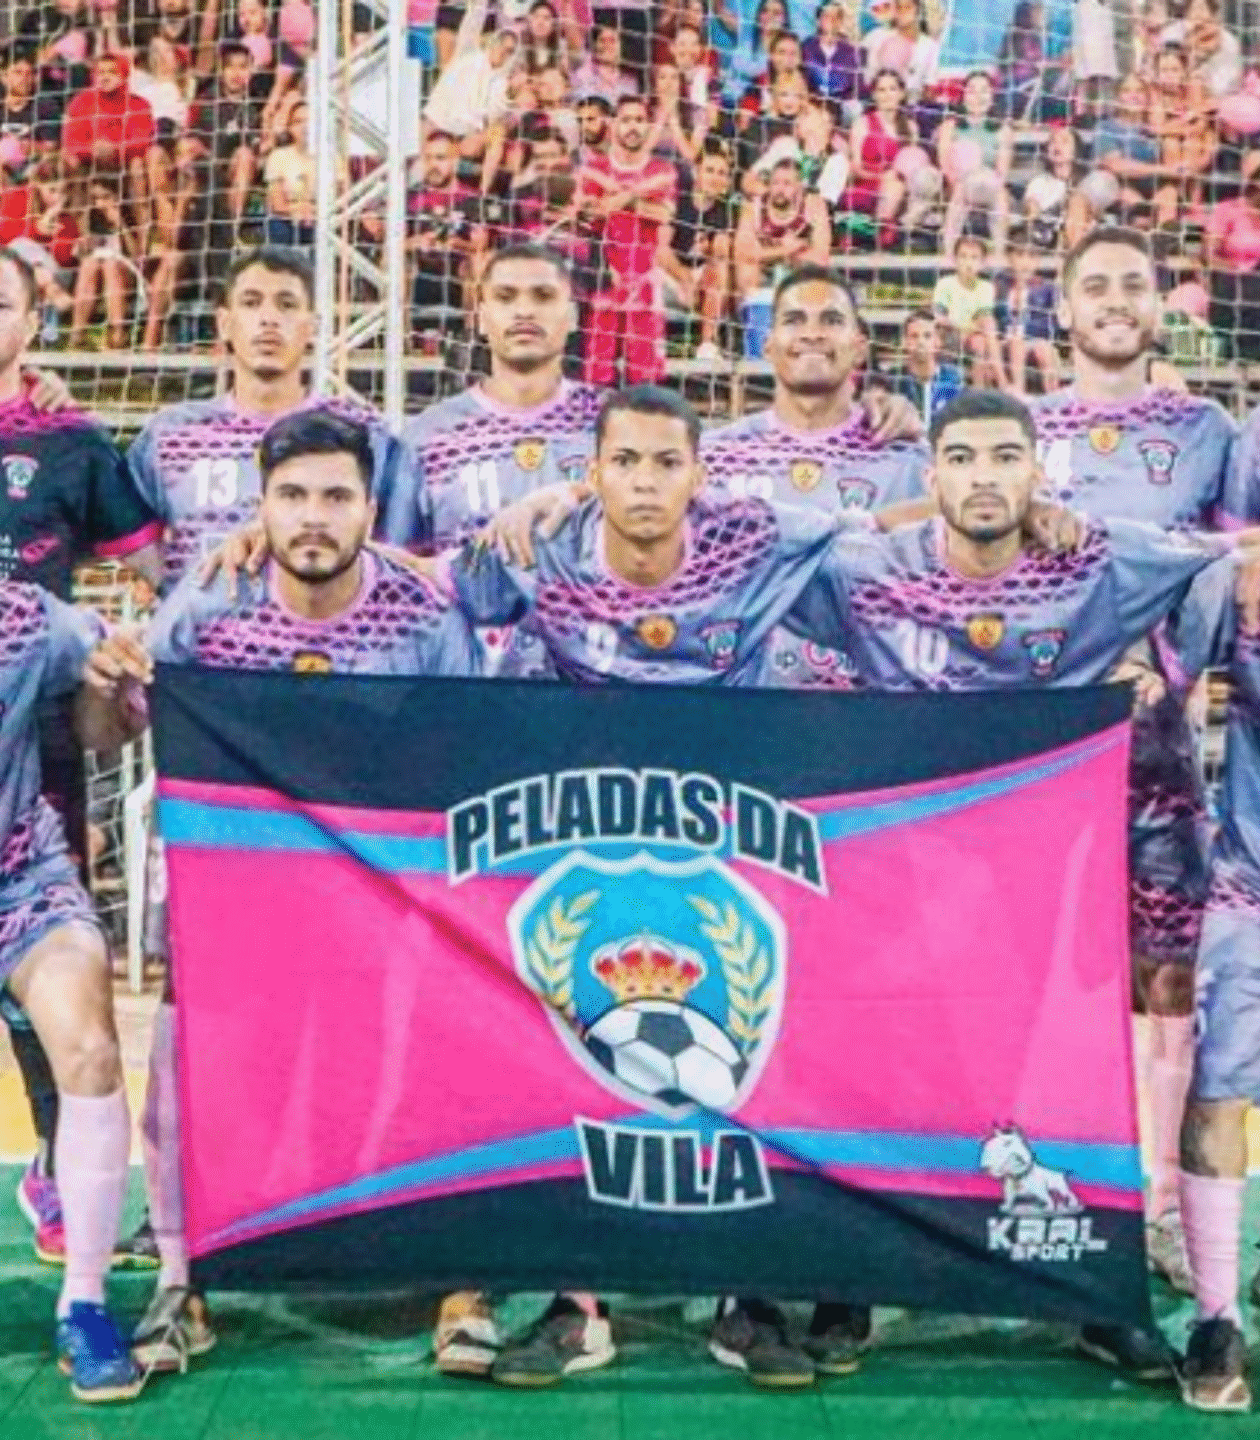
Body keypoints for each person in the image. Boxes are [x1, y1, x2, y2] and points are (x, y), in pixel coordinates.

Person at [1033, 224, 1238, 1320]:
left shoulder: (1207, 431)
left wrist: (1174, 668)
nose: (1116, 300)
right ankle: (1031, 1182)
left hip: (1161, 757)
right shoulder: (1019, 429)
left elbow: (1237, 568)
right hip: (1042, 760)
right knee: (1039, 976)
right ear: (1062, 310)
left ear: (1162, 306)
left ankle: (1155, 1206)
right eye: (1095, 286)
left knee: (1167, 982)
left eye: (1134, 284)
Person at [0, 245, 161, 1271]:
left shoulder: (69, 439)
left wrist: (134, 658)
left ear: (32, 320)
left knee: (47, 959)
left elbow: (155, 570)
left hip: (39, 726)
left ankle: (60, 1161)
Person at [1173, 405, 1260, 1412]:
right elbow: (1164, 666)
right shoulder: (1238, 582)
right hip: (1249, 877)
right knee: (1219, 1092)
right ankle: (1215, 1317)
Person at [578, 94, 677, 387]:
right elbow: (590, 213)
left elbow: (664, 215)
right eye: (626, 120)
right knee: (597, 375)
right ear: (613, 124)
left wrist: (622, 197)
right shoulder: (593, 168)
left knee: (644, 376)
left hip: (645, 281)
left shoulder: (662, 170)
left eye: (640, 120)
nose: (633, 127)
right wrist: (639, 194)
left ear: (648, 126)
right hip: (604, 277)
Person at [658, 141, 736, 362]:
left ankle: (707, 344)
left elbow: (721, 253)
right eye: (710, 170)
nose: (715, 177)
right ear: (696, 173)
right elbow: (660, 250)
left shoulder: (727, 210)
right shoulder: (677, 201)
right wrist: (684, 277)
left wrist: (710, 251)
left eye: (722, 173)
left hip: (701, 277)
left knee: (720, 271)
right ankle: (651, 342)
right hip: (671, 273)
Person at [936, 69, 1012, 263]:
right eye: (972, 91)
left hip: (987, 185)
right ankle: (949, 253)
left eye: (984, 91)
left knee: (1000, 194)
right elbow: (945, 165)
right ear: (963, 97)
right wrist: (958, 182)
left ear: (992, 97)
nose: (978, 97)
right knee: (961, 189)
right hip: (958, 185)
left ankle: (999, 253)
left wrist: (984, 185)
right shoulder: (950, 126)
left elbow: (1002, 172)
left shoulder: (1003, 130)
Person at [733, 156, 830, 306]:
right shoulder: (754, 206)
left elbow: (821, 257)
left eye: (787, 183)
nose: (780, 189)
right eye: (775, 183)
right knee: (746, 268)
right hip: (763, 272)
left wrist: (792, 256)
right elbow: (742, 252)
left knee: (814, 270)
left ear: (799, 186)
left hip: (798, 272)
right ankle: (755, 315)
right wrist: (786, 250)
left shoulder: (813, 204)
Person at [932, 235, 1006, 389]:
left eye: (974, 258)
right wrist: (961, 327)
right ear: (955, 260)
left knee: (981, 340)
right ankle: (1002, 382)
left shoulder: (986, 287)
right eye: (963, 256)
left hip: (974, 337)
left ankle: (980, 390)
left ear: (983, 263)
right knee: (987, 329)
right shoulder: (944, 284)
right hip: (949, 337)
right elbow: (938, 318)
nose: (968, 262)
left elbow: (983, 319)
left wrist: (971, 329)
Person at [995, 227, 1060, 394]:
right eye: (1019, 255)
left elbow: (1051, 324)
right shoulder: (1000, 285)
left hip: (1034, 341)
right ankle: (1019, 392)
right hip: (1005, 343)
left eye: (1031, 256)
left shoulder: (1046, 288)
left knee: (1045, 349)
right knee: (1016, 343)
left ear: (1038, 261)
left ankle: (1053, 396)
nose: (1025, 262)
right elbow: (994, 317)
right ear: (1010, 258)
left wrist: (1026, 329)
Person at [879, 307, 965, 425]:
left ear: (938, 341)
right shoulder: (893, 379)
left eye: (927, 336)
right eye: (914, 336)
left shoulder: (952, 377)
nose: (921, 342)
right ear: (905, 342)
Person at [802, 0, 860, 111]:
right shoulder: (807, 47)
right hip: (811, 104)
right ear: (819, 20)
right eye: (827, 16)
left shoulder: (850, 51)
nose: (832, 20)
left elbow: (853, 85)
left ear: (841, 22)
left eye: (837, 17)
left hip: (840, 106)